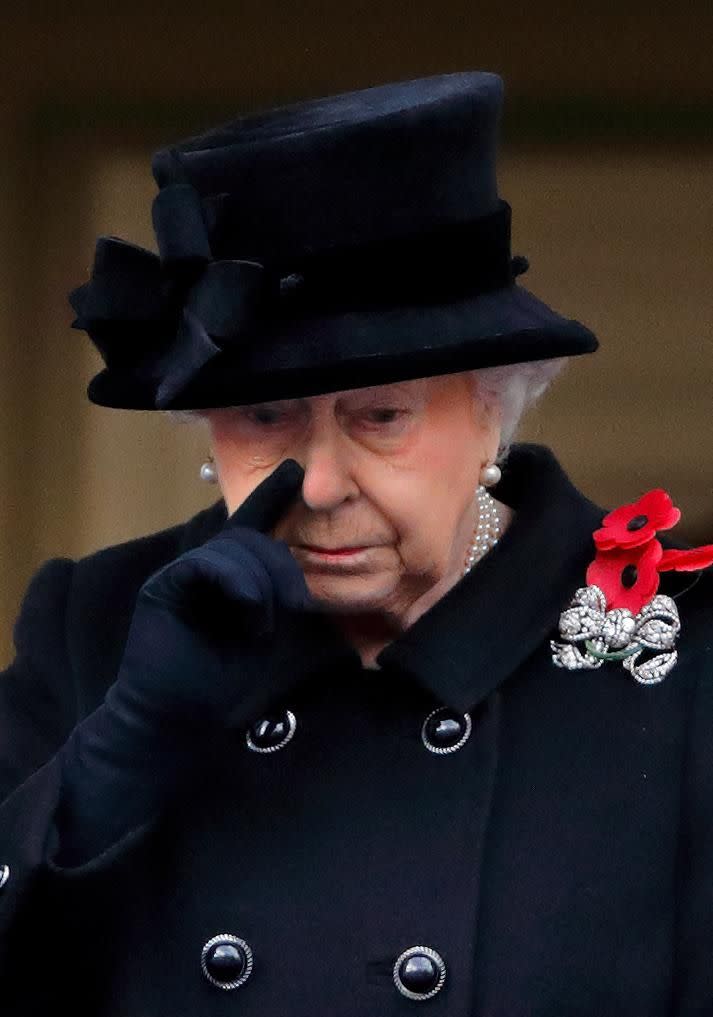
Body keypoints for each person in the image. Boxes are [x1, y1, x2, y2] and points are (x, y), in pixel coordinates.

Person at [0, 71, 711, 1016]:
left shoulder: (684, 647)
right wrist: (124, 745)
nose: (322, 484)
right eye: (264, 414)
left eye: (380, 415)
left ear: (493, 408)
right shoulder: (92, 623)